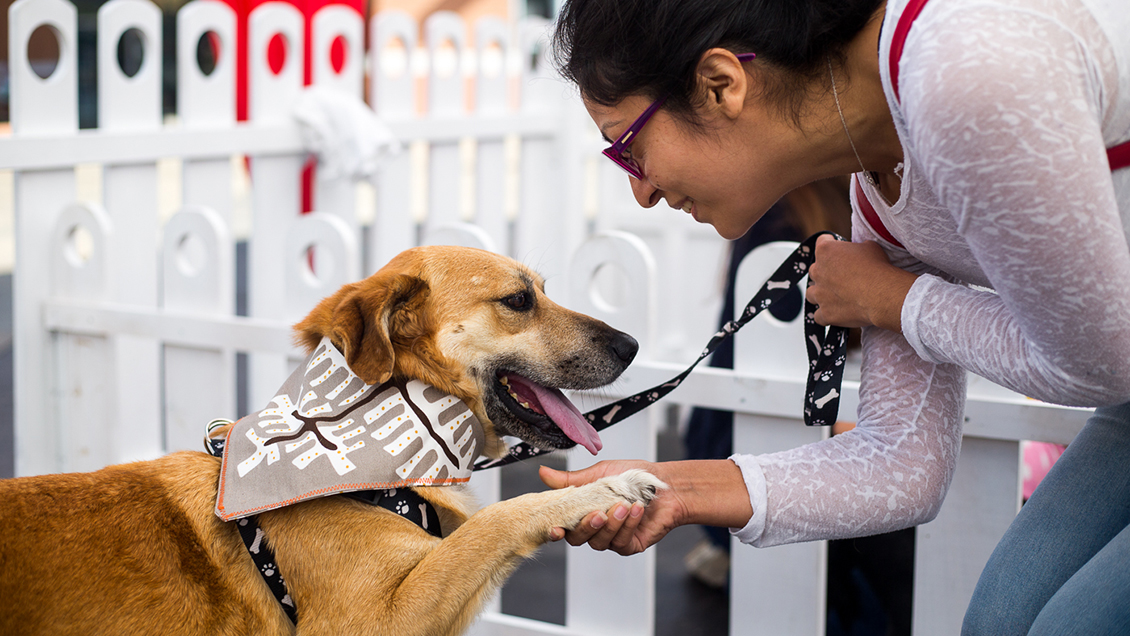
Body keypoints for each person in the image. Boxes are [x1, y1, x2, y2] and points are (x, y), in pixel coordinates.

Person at [537, 0, 1130, 633]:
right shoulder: (878, 185)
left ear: (720, 85)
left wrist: (897, 300)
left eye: (628, 148)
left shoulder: (961, 69)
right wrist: (674, 490)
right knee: (999, 622)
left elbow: (1103, 367)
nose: (641, 191)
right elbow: (903, 463)